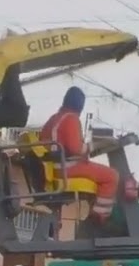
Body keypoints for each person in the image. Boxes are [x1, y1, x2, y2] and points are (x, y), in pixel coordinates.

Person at [39, 86, 120, 221]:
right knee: (112, 176)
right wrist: (98, 144)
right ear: (80, 106)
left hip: (54, 167)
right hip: (67, 169)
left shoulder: (54, 118)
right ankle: (99, 218)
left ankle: (95, 208)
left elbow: (44, 140)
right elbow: (75, 149)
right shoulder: (71, 119)